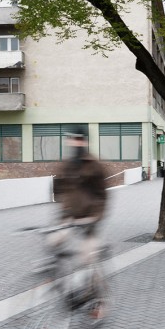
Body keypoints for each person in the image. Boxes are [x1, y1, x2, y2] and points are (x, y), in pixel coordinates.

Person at [51, 127, 109, 318]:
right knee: (52, 243)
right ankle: (59, 284)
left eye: (78, 139)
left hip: (89, 221)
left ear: (84, 141)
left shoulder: (94, 166)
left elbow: (102, 196)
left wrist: (94, 217)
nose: (74, 143)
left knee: (86, 258)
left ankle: (98, 299)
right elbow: (58, 189)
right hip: (68, 219)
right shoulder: (66, 166)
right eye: (72, 139)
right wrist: (63, 213)